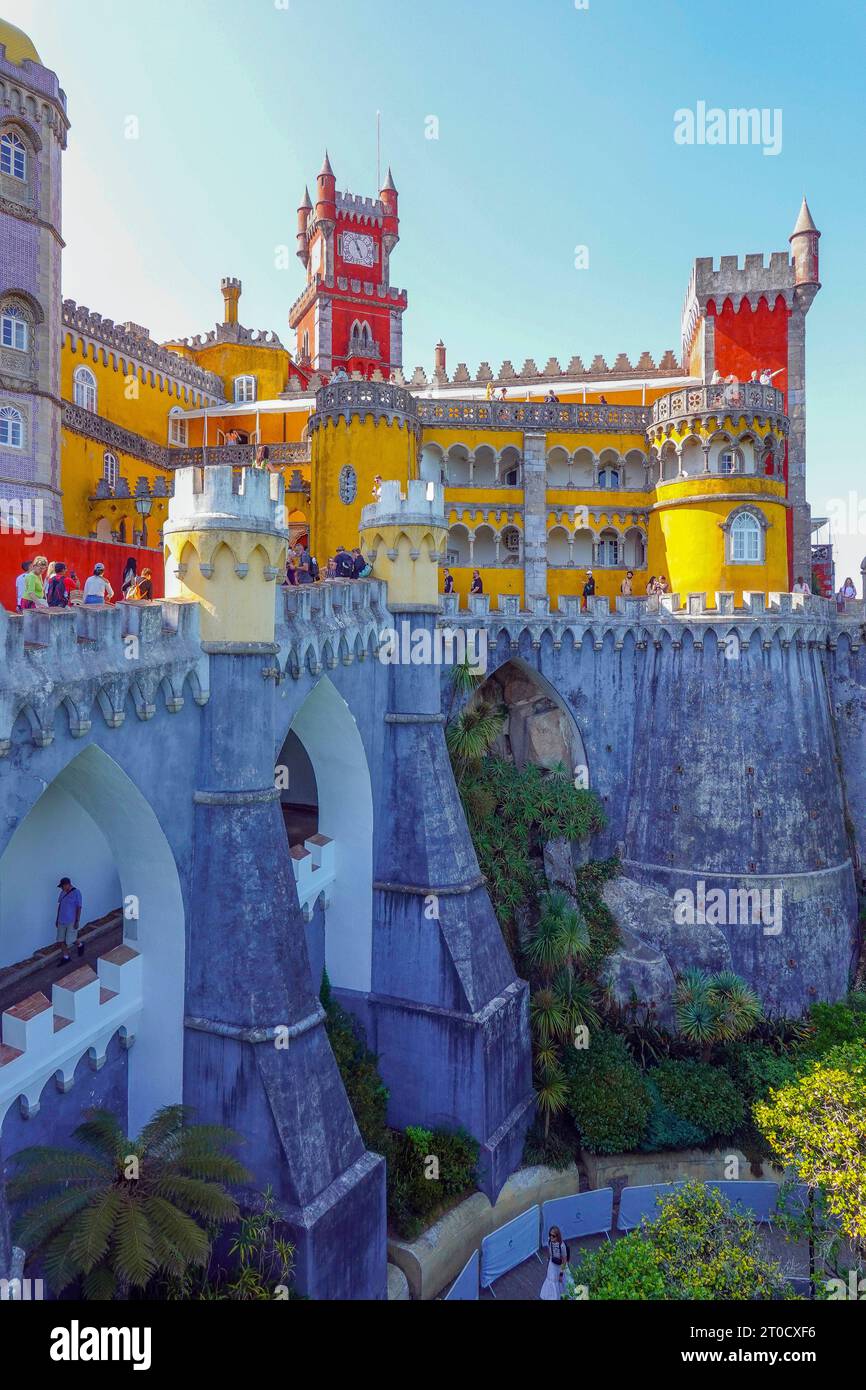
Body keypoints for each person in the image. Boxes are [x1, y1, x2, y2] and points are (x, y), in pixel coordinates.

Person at [55, 876, 84, 964]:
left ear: (68, 884)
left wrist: (77, 921)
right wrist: (57, 919)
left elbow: (79, 907)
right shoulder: (62, 893)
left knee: (71, 940)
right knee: (61, 940)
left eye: (62, 886)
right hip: (61, 920)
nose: (62, 888)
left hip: (71, 920)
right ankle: (66, 957)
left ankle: (80, 945)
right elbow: (60, 906)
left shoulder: (77, 893)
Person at [539, 1225, 570, 1301]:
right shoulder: (549, 1242)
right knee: (551, 1280)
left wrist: (561, 1273)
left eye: (553, 1236)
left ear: (557, 1236)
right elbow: (550, 1253)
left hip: (560, 1267)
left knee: (561, 1282)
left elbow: (564, 1260)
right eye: (550, 1235)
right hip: (552, 1265)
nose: (551, 1237)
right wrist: (549, 1261)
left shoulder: (562, 1246)